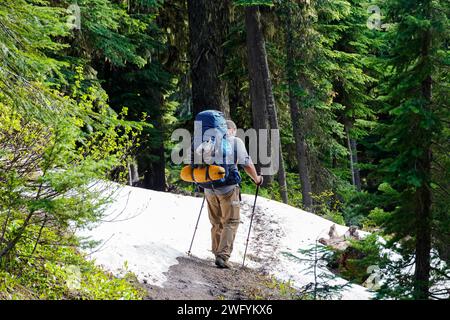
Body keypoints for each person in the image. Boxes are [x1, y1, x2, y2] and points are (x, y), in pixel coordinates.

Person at [204, 119, 263, 269]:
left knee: (216, 221)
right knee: (231, 221)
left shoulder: (207, 140)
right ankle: (222, 256)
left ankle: (217, 252)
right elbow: (247, 164)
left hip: (209, 188)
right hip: (228, 189)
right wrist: (257, 179)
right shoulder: (235, 141)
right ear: (231, 130)